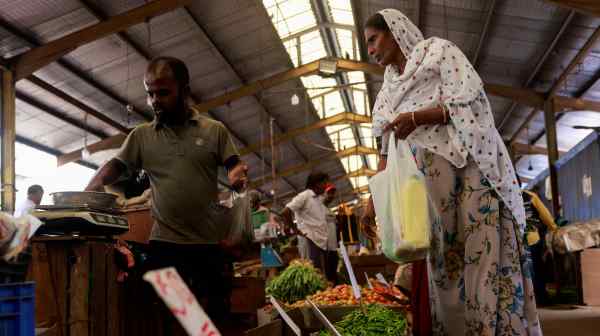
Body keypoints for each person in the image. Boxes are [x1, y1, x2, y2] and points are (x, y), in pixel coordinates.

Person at [360, 9, 541, 335]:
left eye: (373, 40)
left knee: (482, 261)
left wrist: (417, 118)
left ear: (393, 31)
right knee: (445, 269)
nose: (370, 50)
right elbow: (386, 149)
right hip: (432, 195)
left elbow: (470, 103)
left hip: (471, 177)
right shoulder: (386, 92)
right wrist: (370, 203)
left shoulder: (437, 52)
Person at [85, 56, 248, 332]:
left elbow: (233, 164)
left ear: (184, 90)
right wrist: (94, 185)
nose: (154, 100)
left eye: (163, 92)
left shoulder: (213, 131)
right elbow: (115, 166)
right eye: (149, 93)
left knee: (213, 317)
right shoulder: (142, 136)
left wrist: (236, 175)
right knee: (175, 321)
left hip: (208, 246)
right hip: (166, 245)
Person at [281, 172, 330, 273]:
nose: (326, 186)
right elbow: (285, 211)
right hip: (310, 239)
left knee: (319, 271)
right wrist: (295, 229)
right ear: (317, 183)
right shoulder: (304, 196)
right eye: (324, 183)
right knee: (312, 271)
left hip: (320, 241)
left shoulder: (318, 199)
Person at [321, 183, 339, 284]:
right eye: (329, 193)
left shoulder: (329, 210)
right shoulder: (318, 209)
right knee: (327, 275)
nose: (331, 196)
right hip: (325, 248)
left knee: (332, 274)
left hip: (333, 248)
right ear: (323, 193)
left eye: (333, 193)